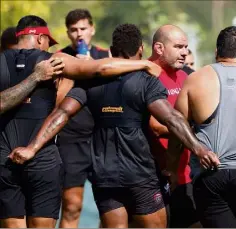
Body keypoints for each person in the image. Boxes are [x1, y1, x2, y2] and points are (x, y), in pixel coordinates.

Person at [8, 23, 220, 228]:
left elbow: (62, 113)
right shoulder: (146, 81)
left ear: (111, 51)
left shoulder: (90, 83)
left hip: (104, 174)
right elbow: (172, 118)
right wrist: (200, 149)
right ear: (141, 49)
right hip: (140, 173)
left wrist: (31, 148)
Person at [0, 15, 162, 228]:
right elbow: (100, 69)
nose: (48, 47)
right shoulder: (52, 60)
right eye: (48, 42)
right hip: (43, 159)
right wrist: (143, 64)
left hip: (4, 157)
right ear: (40, 39)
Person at [167, 26, 236, 228]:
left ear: (217, 52)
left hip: (211, 178)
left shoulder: (194, 79)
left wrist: (172, 170)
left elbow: (177, 129)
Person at [56, 9, 110, 228]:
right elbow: (57, 100)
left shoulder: (106, 56)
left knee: (110, 209)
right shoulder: (60, 58)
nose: (79, 34)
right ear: (68, 32)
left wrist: (92, 66)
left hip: (104, 139)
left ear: (92, 29)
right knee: (72, 205)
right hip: (71, 140)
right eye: (73, 30)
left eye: (83, 29)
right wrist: (77, 69)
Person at [148, 24, 200, 228]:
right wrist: (190, 132)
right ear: (159, 48)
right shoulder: (146, 75)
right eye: (179, 47)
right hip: (153, 176)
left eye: (186, 47)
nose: (185, 52)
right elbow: (155, 127)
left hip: (185, 175)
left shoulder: (185, 76)